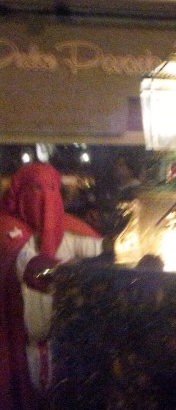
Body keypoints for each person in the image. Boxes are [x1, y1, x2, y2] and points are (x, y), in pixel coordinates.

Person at [0, 162, 102, 409]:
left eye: (51, 188)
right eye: (36, 189)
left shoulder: (76, 233)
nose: (46, 198)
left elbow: (101, 267)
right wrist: (69, 277)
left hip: (65, 349)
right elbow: (31, 270)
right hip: (16, 346)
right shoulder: (6, 231)